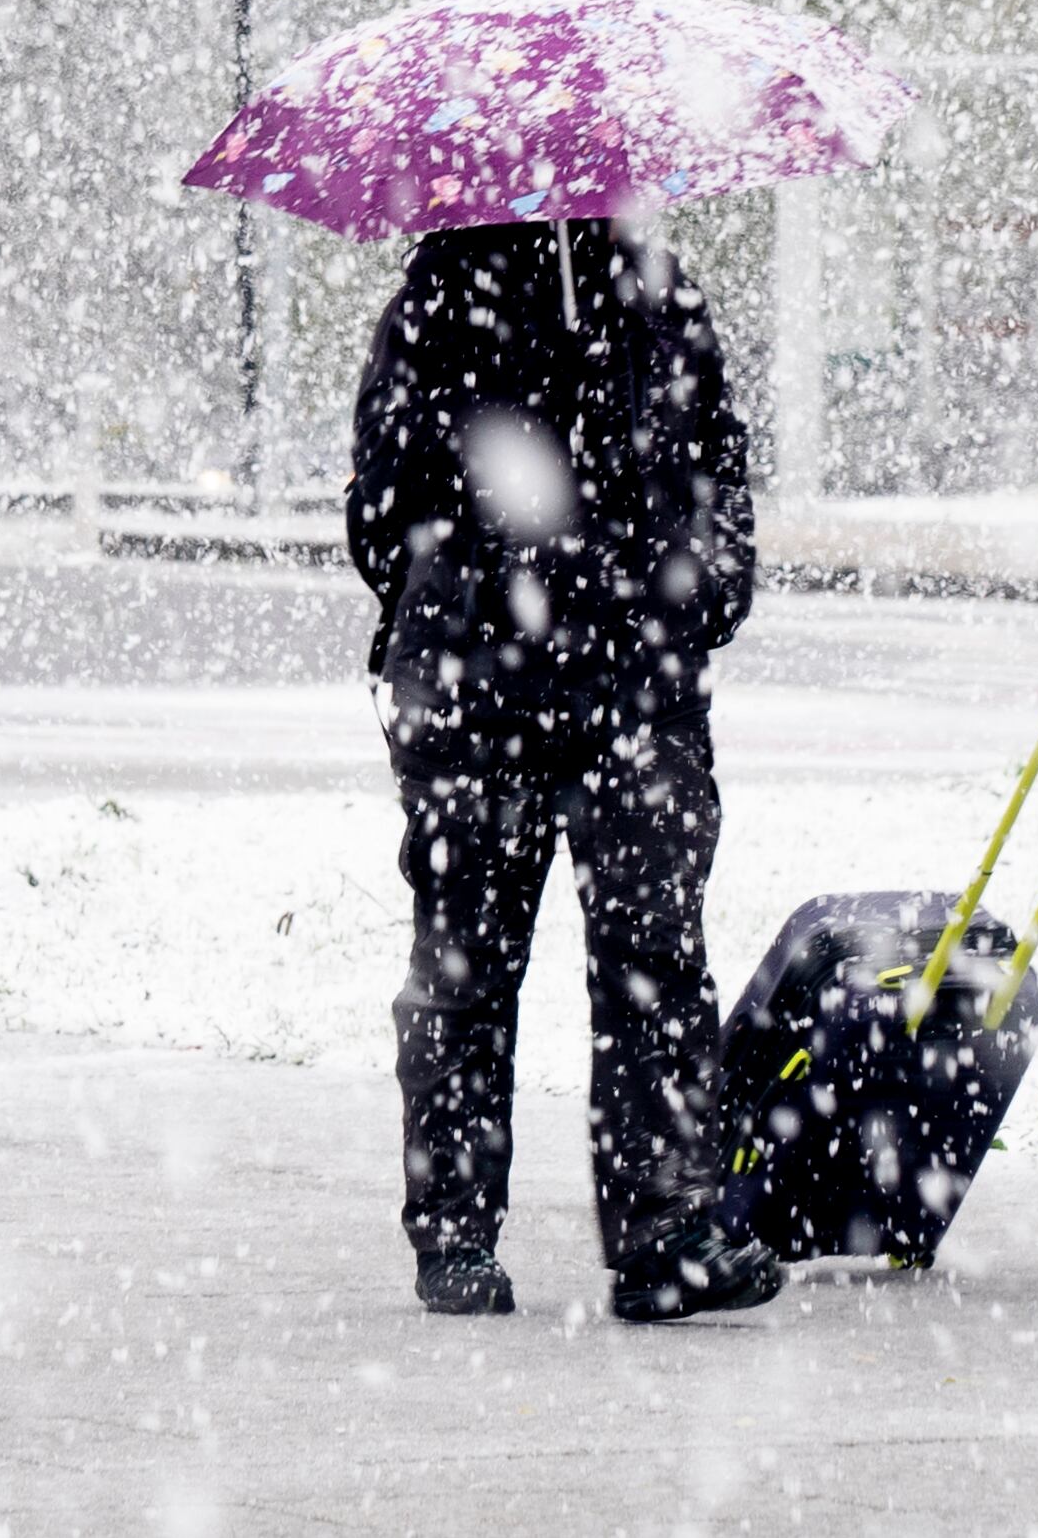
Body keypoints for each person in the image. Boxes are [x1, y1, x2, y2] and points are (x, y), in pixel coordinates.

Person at [344, 213, 784, 1325]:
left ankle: (656, 1235)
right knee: (486, 963)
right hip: (495, 683)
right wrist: (483, 583)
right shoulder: (448, 300)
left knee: (634, 957)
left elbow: (714, 460)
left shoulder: (647, 297)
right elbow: (384, 504)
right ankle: (471, 1233)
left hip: (610, 683)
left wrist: (697, 585)